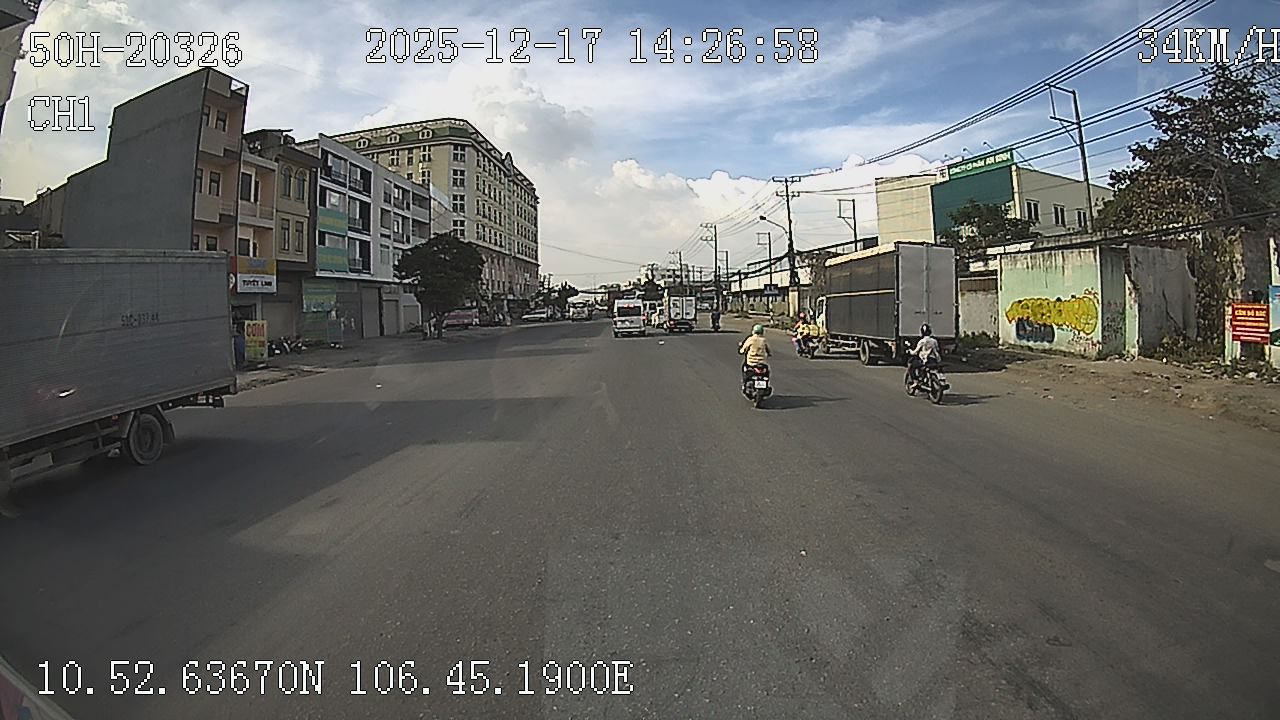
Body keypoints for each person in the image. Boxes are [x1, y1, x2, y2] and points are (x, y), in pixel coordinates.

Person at [906, 323, 942, 387]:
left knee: (912, 366)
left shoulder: (922, 341)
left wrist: (910, 351)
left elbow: (915, 352)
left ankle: (915, 381)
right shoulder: (934, 341)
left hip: (925, 360)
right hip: (934, 360)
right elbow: (937, 349)